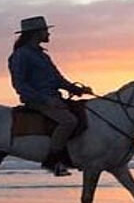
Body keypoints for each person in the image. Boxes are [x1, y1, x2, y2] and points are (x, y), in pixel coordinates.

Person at [8, 16, 92, 176]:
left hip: (53, 97)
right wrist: (45, 100)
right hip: (37, 101)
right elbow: (20, 85)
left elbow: (57, 79)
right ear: (36, 33)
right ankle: (52, 160)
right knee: (69, 121)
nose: (48, 34)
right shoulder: (21, 55)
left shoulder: (42, 55)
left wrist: (76, 89)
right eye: (45, 31)